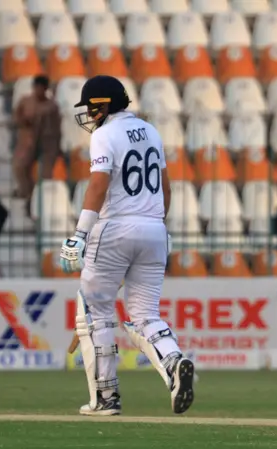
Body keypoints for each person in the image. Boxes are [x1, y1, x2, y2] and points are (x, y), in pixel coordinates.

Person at [59, 75, 194, 416]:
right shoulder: (151, 131)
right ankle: (173, 362)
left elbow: (99, 184)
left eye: (90, 109)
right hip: (153, 230)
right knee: (145, 315)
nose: (88, 116)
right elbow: (165, 186)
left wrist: (80, 233)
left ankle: (105, 398)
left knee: (95, 313)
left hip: (114, 228)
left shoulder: (105, 135)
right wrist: (158, 225)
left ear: (100, 106)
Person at [12, 75, 61, 206]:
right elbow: (17, 118)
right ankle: (27, 193)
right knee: (20, 167)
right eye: (37, 87)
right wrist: (24, 121)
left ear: (46, 89)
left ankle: (41, 200)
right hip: (28, 141)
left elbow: (57, 127)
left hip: (47, 143)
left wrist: (56, 146)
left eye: (42, 88)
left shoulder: (52, 106)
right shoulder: (25, 102)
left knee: (45, 175)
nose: (39, 91)